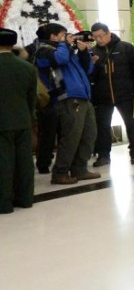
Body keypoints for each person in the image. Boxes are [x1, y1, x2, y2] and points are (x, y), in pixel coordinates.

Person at [34, 24, 99, 185]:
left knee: (89, 134)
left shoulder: (66, 50)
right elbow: (60, 59)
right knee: (71, 137)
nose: (69, 37)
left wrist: (83, 52)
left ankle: (79, 168)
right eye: (64, 35)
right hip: (67, 97)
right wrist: (65, 44)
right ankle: (60, 172)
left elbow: (87, 69)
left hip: (83, 96)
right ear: (53, 37)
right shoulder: (43, 51)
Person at [90, 23, 134, 166]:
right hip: (102, 97)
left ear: (109, 33)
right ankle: (103, 156)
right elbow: (90, 76)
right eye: (95, 37)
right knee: (102, 127)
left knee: (131, 124)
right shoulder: (93, 52)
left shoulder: (125, 48)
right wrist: (92, 64)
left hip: (126, 94)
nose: (99, 39)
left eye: (101, 36)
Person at [0, 28, 36, 213]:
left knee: (4, 161)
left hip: (2, 123)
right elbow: (32, 99)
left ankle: (4, 203)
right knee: (24, 160)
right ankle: (25, 198)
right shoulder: (27, 68)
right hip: (23, 119)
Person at [28, 25, 59, 174]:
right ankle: (44, 163)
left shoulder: (30, 49)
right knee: (49, 131)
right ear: (52, 36)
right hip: (49, 96)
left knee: (43, 132)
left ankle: (43, 161)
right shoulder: (49, 51)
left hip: (36, 96)